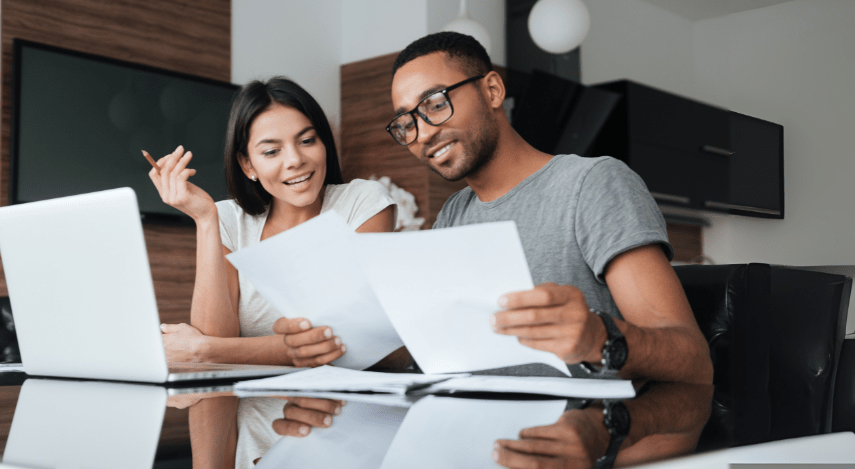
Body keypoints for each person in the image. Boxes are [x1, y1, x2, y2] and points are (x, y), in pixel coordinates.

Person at [275, 32, 713, 385]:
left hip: (586, 437)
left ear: (492, 89)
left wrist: (601, 337)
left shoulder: (592, 183)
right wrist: (336, 344)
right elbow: (436, 352)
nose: (422, 133)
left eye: (435, 104)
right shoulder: (453, 213)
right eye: (406, 123)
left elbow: (692, 359)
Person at [147, 76, 399, 367]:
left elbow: (345, 341)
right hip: (245, 408)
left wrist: (204, 350)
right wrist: (205, 220)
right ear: (247, 164)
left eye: (307, 141)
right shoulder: (229, 219)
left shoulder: (363, 202)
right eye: (271, 151)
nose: (294, 160)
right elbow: (214, 335)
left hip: (339, 406)